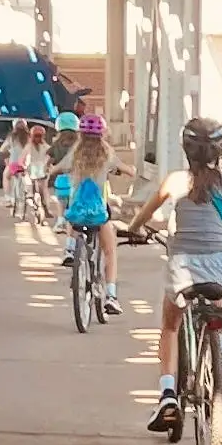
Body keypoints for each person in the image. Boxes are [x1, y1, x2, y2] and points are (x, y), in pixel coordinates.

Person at [126, 118, 222, 432]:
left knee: (170, 325)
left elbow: (141, 219)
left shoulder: (174, 182)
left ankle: (168, 394)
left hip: (183, 264)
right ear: (221, 151)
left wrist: (136, 231)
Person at [46, 113, 135, 313]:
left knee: (71, 212)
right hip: (98, 214)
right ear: (101, 134)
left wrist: (53, 172)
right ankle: (111, 296)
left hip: (77, 214)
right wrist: (130, 171)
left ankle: (70, 248)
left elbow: (56, 169)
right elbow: (126, 170)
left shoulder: (75, 154)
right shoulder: (107, 153)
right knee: (110, 251)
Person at [49, 113, 80, 234]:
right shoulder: (80, 143)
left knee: (61, 202)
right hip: (77, 179)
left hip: (61, 180)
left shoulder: (56, 144)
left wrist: (49, 168)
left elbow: (49, 159)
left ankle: (60, 221)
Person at [0, 119, 31, 209]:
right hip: (27, 165)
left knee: (6, 176)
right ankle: (29, 195)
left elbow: (2, 150)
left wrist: (6, 161)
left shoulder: (11, 137)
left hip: (14, 164)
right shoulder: (30, 137)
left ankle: (8, 198)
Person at [23, 125, 52, 212]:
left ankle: (46, 208)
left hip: (42, 172)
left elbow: (51, 156)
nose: (38, 138)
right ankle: (30, 197)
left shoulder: (46, 147)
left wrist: (49, 166)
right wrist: (22, 166)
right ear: (32, 136)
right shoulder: (28, 147)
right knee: (29, 185)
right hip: (30, 172)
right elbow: (22, 158)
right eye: (36, 136)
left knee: (44, 189)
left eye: (40, 136)